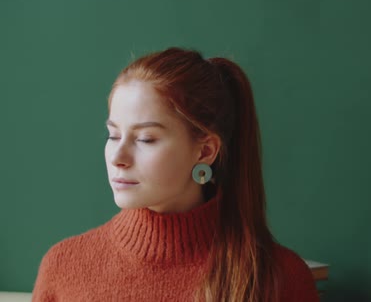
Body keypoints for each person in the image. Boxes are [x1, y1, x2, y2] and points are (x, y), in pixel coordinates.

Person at [32, 47, 320, 302]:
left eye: (145, 139)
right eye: (113, 135)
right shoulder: (63, 267)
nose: (118, 158)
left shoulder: (282, 278)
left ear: (205, 151)